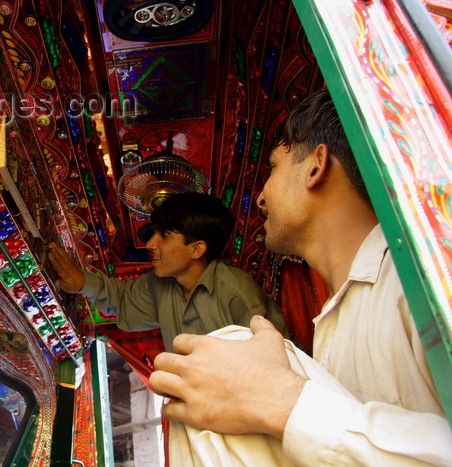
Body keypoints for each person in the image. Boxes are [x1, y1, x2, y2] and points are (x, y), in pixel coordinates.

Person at [148, 88, 452, 464]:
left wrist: (282, 401)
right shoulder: (335, 323)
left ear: (315, 166)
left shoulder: (426, 276)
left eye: (274, 167)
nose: (260, 198)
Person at [48, 192, 287, 351]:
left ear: (196, 249)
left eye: (164, 235)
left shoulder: (235, 292)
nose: (150, 244)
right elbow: (122, 298)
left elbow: (277, 363)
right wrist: (81, 282)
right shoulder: (160, 284)